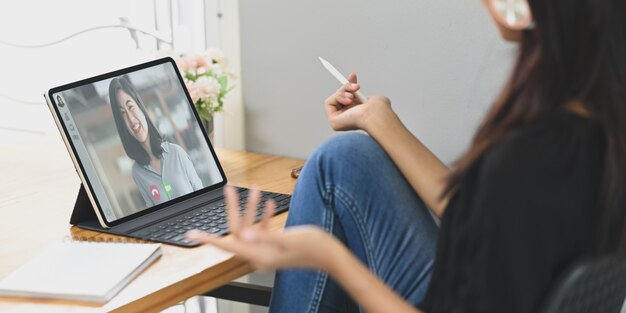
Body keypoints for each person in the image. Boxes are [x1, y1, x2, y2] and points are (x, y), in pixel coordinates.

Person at [188, 0, 626, 312]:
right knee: (343, 158)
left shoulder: (531, 157)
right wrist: (379, 120)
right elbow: (484, 217)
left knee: (331, 173)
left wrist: (327, 255)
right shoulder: (594, 120)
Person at [109, 76, 203, 208]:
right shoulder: (138, 172)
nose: (130, 119)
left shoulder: (176, 153)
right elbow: (153, 211)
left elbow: (202, 195)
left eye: (130, 107)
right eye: (123, 113)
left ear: (141, 108)